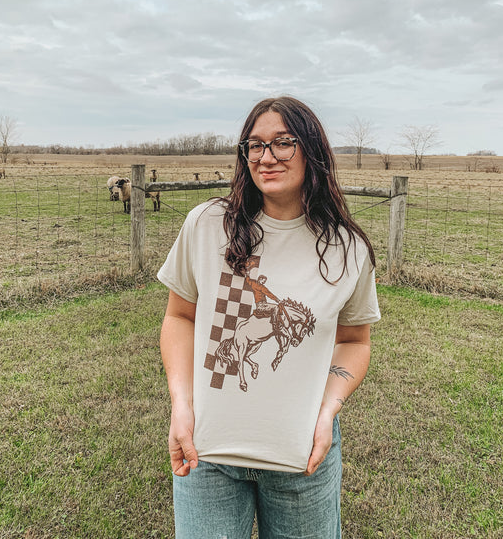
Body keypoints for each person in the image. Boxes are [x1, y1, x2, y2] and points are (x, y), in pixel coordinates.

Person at [158, 96, 381, 538]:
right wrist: (181, 405)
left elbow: (355, 342)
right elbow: (179, 317)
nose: (266, 157)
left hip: (303, 460)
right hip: (207, 456)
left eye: (283, 142)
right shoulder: (206, 225)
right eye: (254, 145)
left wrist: (327, 411)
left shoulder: (347, 249)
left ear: (311, 149)